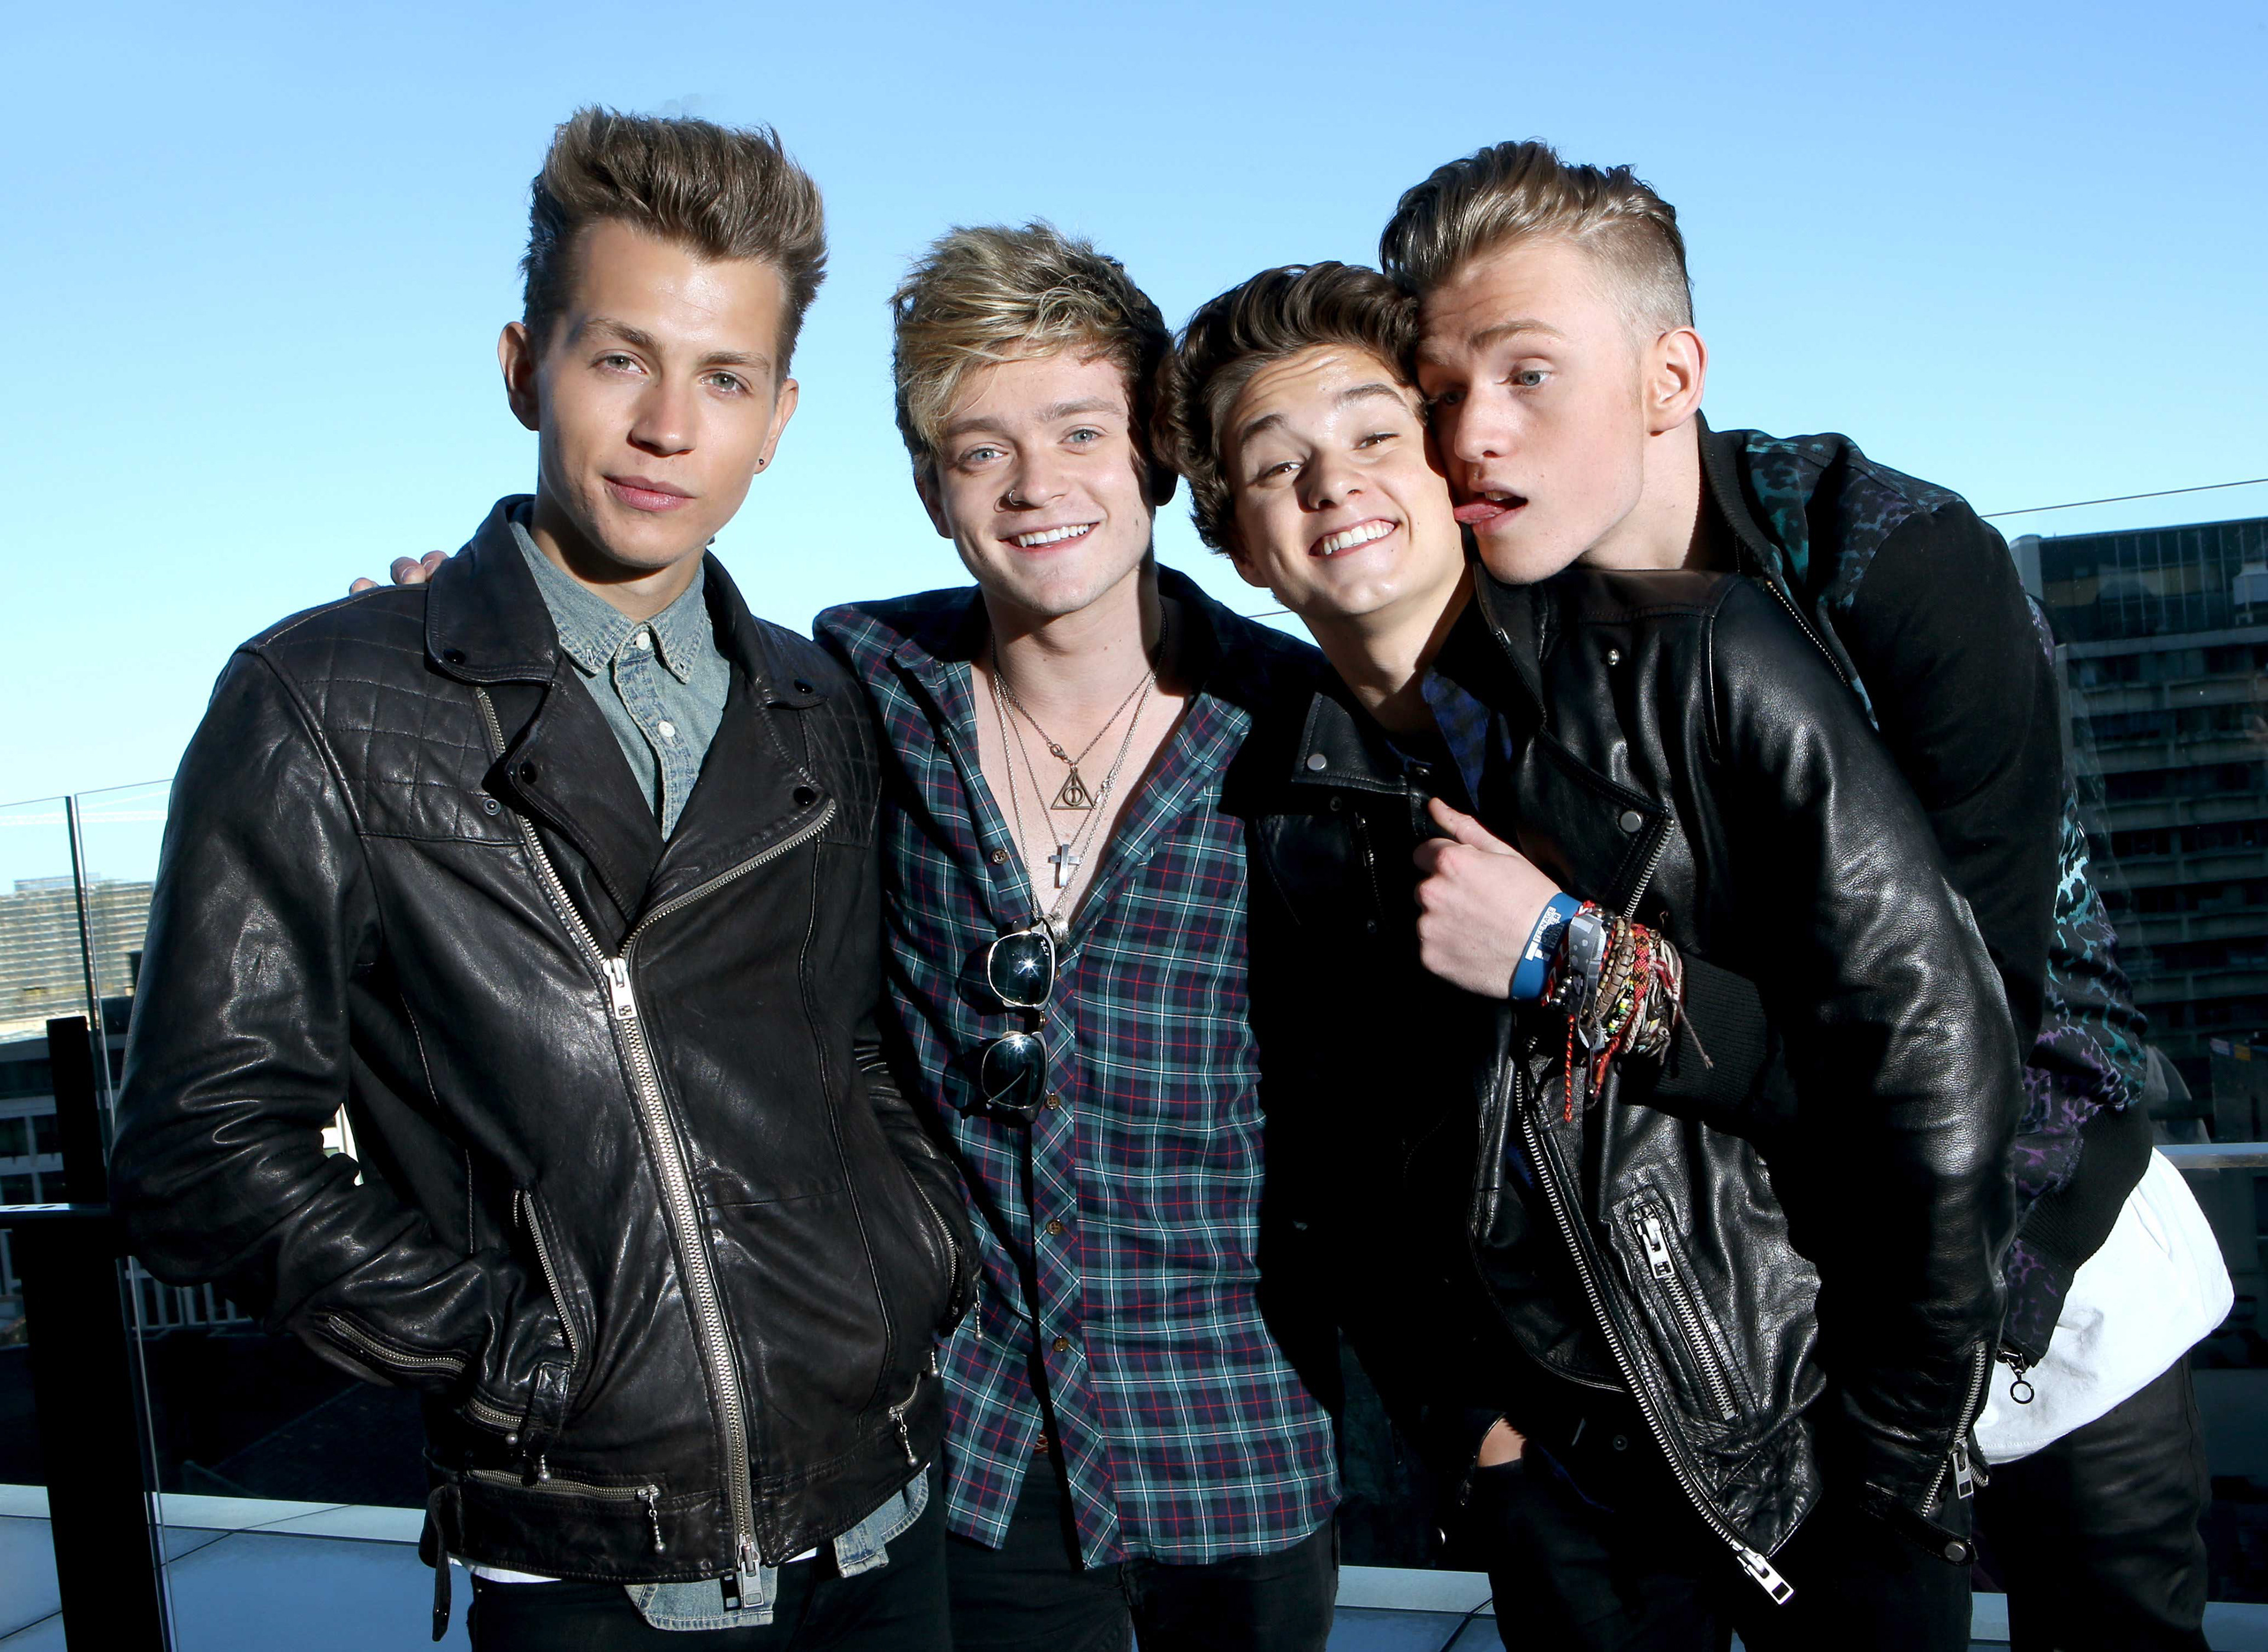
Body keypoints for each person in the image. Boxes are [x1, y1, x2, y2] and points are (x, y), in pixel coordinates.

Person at [110, 108, 971, 1651]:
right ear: (524, 364)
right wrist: (523, 1346)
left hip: (891, 1525)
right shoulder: (326, 699)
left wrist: (911, 1257)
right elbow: (198, 1144)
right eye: (615, 357)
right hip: (586, 1558)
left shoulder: (823, 705)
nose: (666, 426)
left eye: (722, 378)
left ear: (779, 416)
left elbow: (855, 1050)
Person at [1381, 141, 2214, 1652]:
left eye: (1527, 375)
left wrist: (1581, 962)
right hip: (1791, 1290)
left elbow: (1968, 1031)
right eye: (1438, 391)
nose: (1470, 436)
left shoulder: (1890, 559)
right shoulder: (1526, 647)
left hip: (2046, 1244)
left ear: (1667, 373)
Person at [1164, 258, 2022, 1650]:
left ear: (1446, 470)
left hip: (1819, 1433)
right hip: (1557, 1491)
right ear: (1244, 543)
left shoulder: (1704, 662)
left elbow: (1939, 1069)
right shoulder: (1288, 814)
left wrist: (1898, 1458)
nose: (1336, 484)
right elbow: (1344, 1175)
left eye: (1378, 437)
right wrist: (1478, 1444)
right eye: (1279, 466)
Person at [812, 223, 1341, 1652]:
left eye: (1080, 431)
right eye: (982, 450)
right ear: (933, 492)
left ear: (1155, 458)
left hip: (1236, 1430)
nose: (1038, 485)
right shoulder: (861, 682)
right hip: (967, 1447)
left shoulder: (1297, 722)